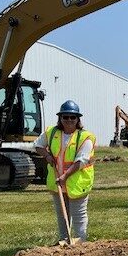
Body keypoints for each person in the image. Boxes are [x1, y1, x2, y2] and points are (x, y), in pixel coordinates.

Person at [34, 100, 95, 243]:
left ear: (78, 119)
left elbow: (81, 161)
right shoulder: (51, 132)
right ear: (60, 118)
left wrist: (65, 176)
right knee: (62, 214)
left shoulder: (85, 137)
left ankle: (81, 242)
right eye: (65, 117)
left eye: (72, 117)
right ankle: (64, 240)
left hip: (77, 183)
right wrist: (47, 155)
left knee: (78, 215)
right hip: (58, 182)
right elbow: (37, 145)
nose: (69, 120)